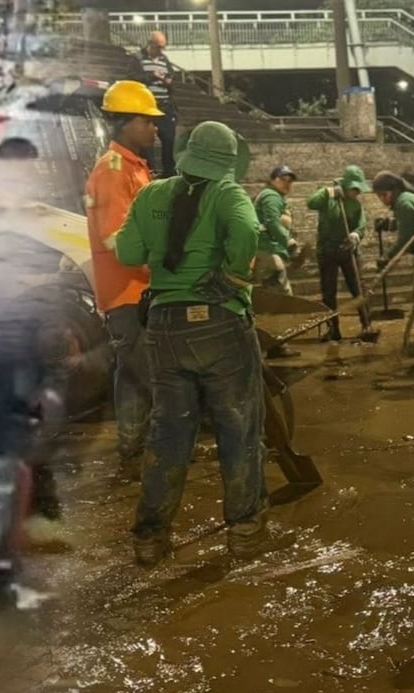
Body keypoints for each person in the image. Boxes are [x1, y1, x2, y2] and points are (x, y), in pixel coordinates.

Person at [115, 121, 290, 566]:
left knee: (169, 432)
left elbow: (129, 254)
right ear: (229, 161)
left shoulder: (151, 194)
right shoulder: (228, 195)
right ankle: (245, 535)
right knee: (239, 430)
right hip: (220, 326)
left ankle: (150, 539)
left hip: (165, 326)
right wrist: (232, 276)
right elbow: (249, 233)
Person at [85, 80, 163, 481]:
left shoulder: (134, 168)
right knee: (154, 378)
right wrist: (166, 271)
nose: (155, 128)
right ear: (125, 122)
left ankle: (133, 454)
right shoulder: (115, 172)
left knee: (133, 378)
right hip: (129, 293)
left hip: (132, 291)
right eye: (147, 121)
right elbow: (121, 242)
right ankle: (164, 457)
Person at [372, 171, 414, 351]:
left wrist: (387, 256)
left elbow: (406, 238)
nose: (382, 199)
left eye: (384, 195)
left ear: (393, 191)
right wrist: (389, 224)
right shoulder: (405, 201)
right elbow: (409, 223)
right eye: (379, 196)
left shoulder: (404, 203)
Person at [306, 165, 376, 342]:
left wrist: (355, 235)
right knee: (329, 292)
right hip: (327, 250)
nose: (357, 192)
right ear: (346, 186)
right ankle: (333, 330)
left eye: (358, 189)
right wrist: (327, 192)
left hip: (348, 250)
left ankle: (367, 325)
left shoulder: (355, 205)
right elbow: (310, 203)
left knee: (358, 288)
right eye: (354, 189)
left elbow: (361, 225)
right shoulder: (328, 198)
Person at [254, 165, 299, 296]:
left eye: (290, 181)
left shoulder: (274, 196)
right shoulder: (271, 196)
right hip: (267, 250)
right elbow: (272, 222)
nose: (287, 183)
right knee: (283, 294)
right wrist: (289, 242)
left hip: (268, 250)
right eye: (283, 179)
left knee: (273, 293)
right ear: (273, 180)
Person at [137, 30, 178, 178]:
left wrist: (166, 81)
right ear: (150, 44)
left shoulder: (164, 60)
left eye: (162, 47)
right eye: (158, 47)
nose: (161, 50)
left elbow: (172, 81)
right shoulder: (139, 59)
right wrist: (152, 76)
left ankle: (169, 172)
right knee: (146, 141)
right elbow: (132, 78)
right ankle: (149, 171)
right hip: (146, 107)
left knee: (168, 139)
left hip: (164, 105)